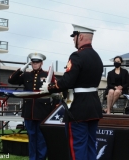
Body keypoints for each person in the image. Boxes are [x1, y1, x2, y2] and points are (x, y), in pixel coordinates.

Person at [40, 24, 103, 160]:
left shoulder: (77, 56)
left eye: (74, 36)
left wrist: (50, 87)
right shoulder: (97, 57)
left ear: (80, 36)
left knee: (77, 147)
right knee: (91, 145)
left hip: (79, 108)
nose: (73, 40)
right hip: (94, 106)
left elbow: (67, 81)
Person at [8, 53, 55, 160]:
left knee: (41, 139)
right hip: (29, 111)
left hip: (43, 111)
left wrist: (53, 110)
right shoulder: (26, 75)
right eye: (33, 62)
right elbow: (11, 80)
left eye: (37, 62)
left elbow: (55, 91)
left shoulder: (48, 75)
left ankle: (41, 158)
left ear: (41, 63)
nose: (35, 64)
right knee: (32, 137)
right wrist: (21, 69)